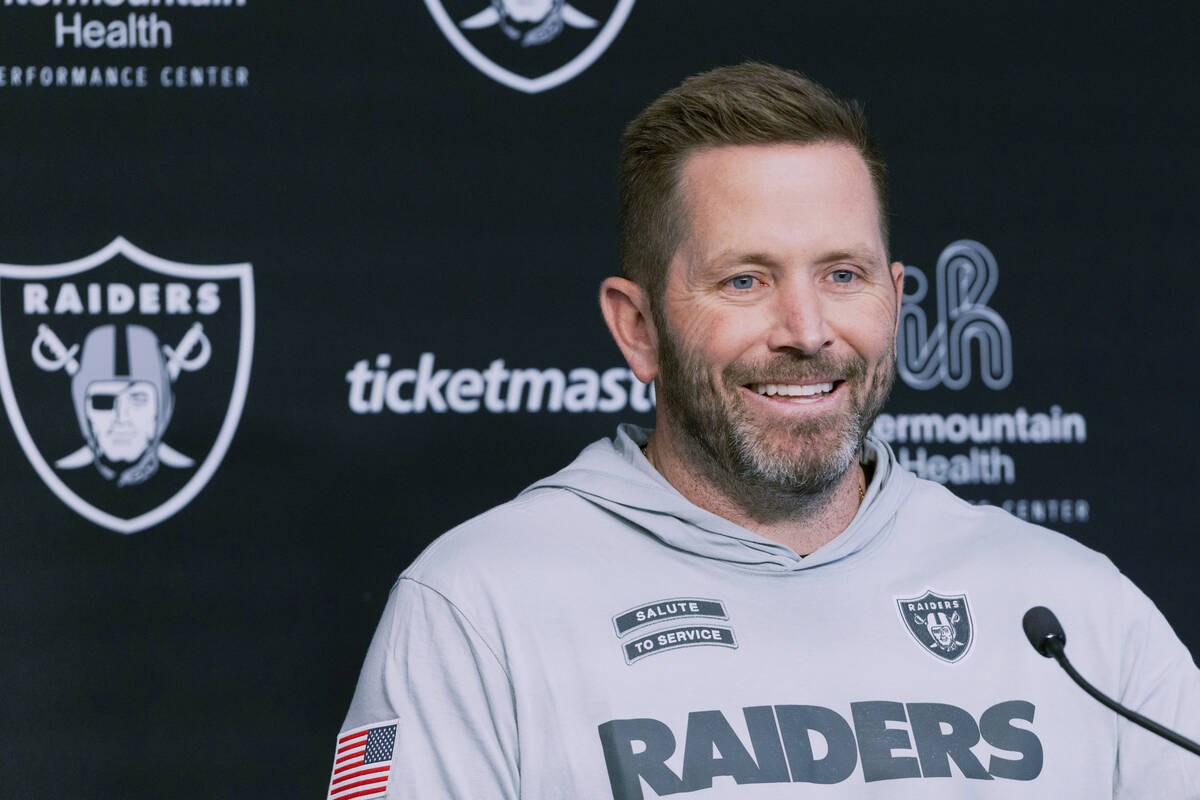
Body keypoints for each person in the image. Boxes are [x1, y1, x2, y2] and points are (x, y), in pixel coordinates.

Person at [330, 63, 1200, 799]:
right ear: (637, 328)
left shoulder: (1077, 613)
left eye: (844, 274)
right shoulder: (477, 609)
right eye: (745, 281)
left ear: (896, 298)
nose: (807, 329)